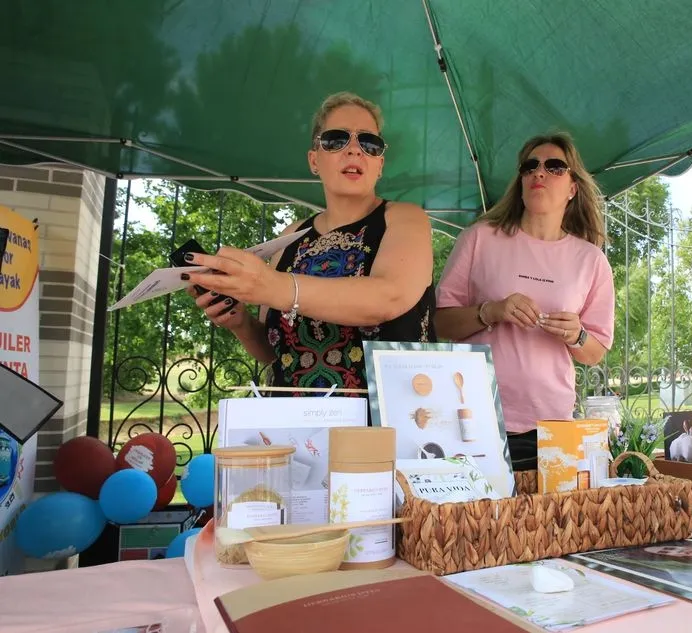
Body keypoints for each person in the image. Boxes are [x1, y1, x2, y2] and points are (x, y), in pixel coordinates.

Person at [182, 92, 436, 396]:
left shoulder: (405, 218)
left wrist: (273, 286)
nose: (354, 150)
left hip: (381, 420)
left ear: (379, 164)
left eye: (369, 143)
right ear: (314, 160)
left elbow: (389, 297)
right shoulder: (291, 236)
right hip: (295, 419)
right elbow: (272, 350)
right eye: (336, 139)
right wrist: (240, 323)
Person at [435, 132, 615, 470]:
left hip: (552, 424)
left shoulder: (591, 260)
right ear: (520, 181)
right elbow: (440, 323)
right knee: (480, 507)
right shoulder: (479, 238)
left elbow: (595, 353)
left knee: (544, 508)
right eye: (529, 166)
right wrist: (491, 311)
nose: (539, 172)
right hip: (476, 415)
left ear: (573, 187)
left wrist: (576, 334)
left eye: (554, 166)